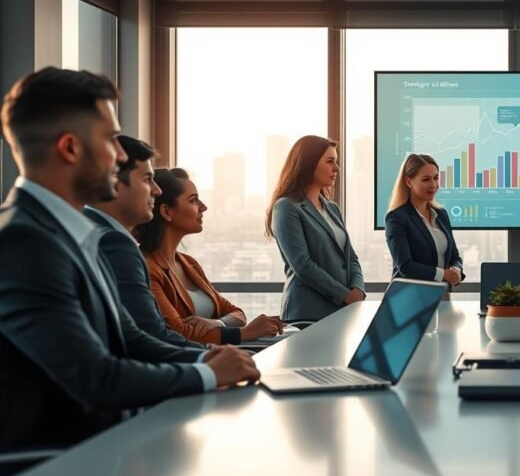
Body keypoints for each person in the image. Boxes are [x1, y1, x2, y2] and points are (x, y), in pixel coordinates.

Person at [0, 67, 257, 451]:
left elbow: (133, 339)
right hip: (56, 469)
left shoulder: (76, 233)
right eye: (110, 140)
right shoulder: (23, 242)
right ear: (70, 148)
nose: (121, 155)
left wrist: (216, 358)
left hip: (107, 447)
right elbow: (96, 378)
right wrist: (206, 373)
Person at [137, 168, 283, 345]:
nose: (203, 207)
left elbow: (237, 313)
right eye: (193, 200)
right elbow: (178, 334)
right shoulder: (147, 268)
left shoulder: (189, 263)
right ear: (167, 212)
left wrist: (218, 322)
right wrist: (244, 333)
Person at [85, 135, 204, 349]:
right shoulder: (114, 244)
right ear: (115, 183)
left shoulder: (90, 232)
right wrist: (210, 357)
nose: (157, 191)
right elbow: (148, 337)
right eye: (147, 179)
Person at [267, 135, 365, 321]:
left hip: (342, 312)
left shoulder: (332, 208)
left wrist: (358, 289)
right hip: (308, 313)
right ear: (308, 164)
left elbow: (351, 258)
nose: (337, 169)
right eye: (330, 162)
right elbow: (302, 265)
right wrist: (345, 295)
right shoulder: (287, 207)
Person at [385, 154, 464, 289]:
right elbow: (406, 266)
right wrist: (443, 274)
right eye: (426, 179)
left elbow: (454, 256)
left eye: (436, 178)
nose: (433, 185)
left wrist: (456, 270)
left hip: (441, 294)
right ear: (409, 181)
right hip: (409, 297)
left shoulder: (441, 215)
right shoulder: (396, 218)